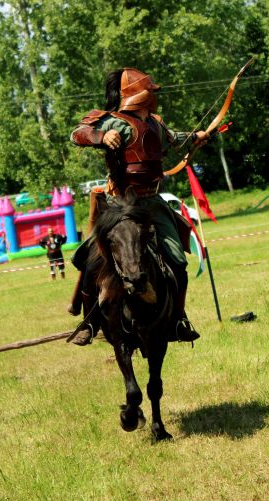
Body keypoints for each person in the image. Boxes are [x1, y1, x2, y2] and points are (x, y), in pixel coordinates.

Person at [68, 67, 207, 345]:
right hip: (121, 205)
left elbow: (173, 138)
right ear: (136, 95)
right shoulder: (113, 122)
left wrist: (196, 137)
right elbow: (78, 133)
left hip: (153, 203)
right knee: (89, 258)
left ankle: (178, 319)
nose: (154, 96)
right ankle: (90, 322)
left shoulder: (155, 123)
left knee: (178, 261)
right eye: (149, 91)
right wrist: (101, 137)